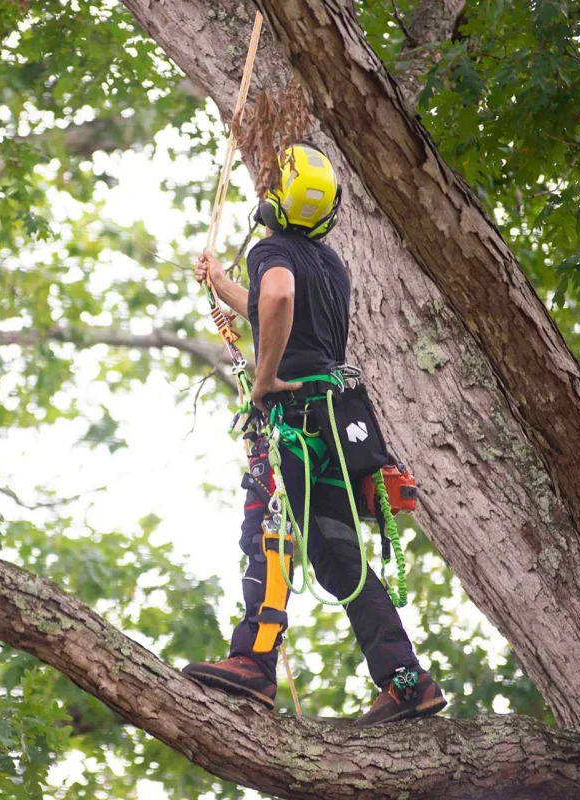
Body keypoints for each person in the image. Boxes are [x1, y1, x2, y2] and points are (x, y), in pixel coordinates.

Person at [181, 143, 446, 726]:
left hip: (293, 421)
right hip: (335, 423)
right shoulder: (331, 265)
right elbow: (272, 307)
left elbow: (277, 298)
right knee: (338, 556)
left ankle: (254, 661)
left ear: (277, 199)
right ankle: (406, 680)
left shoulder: (270, 249)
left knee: (266, 525)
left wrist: (264, 378)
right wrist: (222, 284)